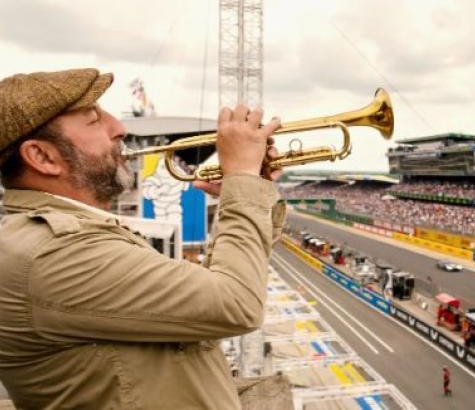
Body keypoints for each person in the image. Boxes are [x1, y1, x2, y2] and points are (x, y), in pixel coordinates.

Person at [0, 68, 287, 409]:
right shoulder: (52, 251)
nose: (118, 128)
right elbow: (236, 303)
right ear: (42, 157)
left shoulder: (72, 236)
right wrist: (241, 178)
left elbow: (202, 308)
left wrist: (247, 189)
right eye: (94, 121)